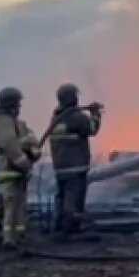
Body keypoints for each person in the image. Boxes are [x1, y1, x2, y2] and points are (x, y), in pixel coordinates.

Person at [0, 87, 39, 249]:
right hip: (8, 169)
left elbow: (32, 140)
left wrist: (34, 151)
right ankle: (8, 239)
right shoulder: (3, 122)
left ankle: (18, 236)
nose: (19, 108)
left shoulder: (17, 123)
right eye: (18, 104)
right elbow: (9, 145)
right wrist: (24, 163)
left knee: (18, 205)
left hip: (18, 171)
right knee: (11, 204)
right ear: (11, 104)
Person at [46, 83, 103, 238]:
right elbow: (92, 129)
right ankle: (69, 229)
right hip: (75, 167)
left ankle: (58, 225)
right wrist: (96, 114)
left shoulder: (56, 117)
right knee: (74, 199)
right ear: (72, 98)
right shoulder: (75, 117)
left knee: (61, 196)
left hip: (60, 166)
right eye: (76, 96)